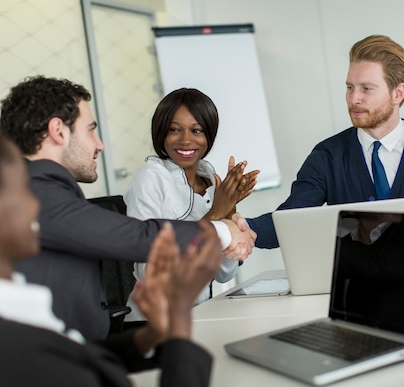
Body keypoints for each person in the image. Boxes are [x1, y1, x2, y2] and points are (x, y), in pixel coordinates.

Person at [0, 76, 256, 340]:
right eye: (90, 130)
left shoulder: (34, 191)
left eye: (197, 130)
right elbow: (139, 237)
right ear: (59, 131)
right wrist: (220, 227)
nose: (99, 144)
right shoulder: (36, 195)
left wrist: (226, 216)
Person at [246, 34, 404, 255]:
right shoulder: (327, 156)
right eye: (350, 87)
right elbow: (290, 222)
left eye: (366, 89)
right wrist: (241, 229)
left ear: (398, 93)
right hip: (354, 295)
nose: (354, 98)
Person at [0, 135, 221, 387]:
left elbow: (77, 357)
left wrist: (149, 337)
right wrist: (179, 320)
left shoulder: (22, 313)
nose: (35, 204)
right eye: (22, 191)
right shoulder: (16, 350)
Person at [125, 88, 259, 315]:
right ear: (161, 133)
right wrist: (216, 216)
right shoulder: (150, 179)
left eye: (197, 130)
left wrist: (230, 215)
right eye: (174, 130)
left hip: (200, 311)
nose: (186, 140)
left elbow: (224, 274)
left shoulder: (212, 182)